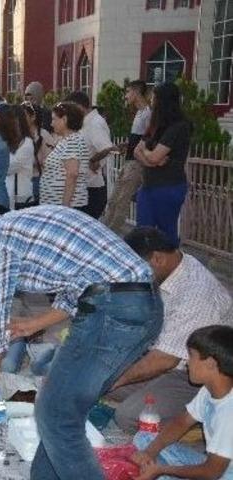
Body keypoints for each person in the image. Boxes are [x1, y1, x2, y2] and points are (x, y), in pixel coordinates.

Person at [0, 200, 161, 479]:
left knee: (56, 415)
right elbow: (77, 285)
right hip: (142, 304)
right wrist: (34, 324)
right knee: (58, 408)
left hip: (115, 309)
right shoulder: (20, 223)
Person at [107, 227, 232, 432]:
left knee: (129, 416)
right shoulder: (175, 267)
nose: (133, 275)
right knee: (93, 381)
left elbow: (165, 360)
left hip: (197, 375)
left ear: (157, 259)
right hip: (169, 359)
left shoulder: (196, 294)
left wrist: (116, 379)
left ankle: (194, 419)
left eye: (137, 268)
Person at [131, 325, 233, 480]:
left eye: (191, 356)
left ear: (211, 363)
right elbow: (182, 421)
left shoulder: (228, 411)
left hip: (221, 473)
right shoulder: (209, 389)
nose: (187, 362)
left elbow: (212, 472)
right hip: (213, 464)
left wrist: (162, 470)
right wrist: (150, 452)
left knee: (158, 475)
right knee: (144, 438)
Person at [134, 82, 191, 246]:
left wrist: (149, 155)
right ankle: (148, 268)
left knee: (166, 235)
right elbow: (138, 151)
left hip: (168, 187)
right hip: (148, 186)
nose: (151, 100)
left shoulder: (179, 127)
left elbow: (152, 156)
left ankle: (171, 269)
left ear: (163, 100)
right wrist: (151, 159)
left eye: (154, 97)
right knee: (143, 234)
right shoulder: (156, 125)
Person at [103, 80, 152, 233]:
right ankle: (105, 230)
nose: (126, 96)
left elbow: (149, 139)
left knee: (121, 201)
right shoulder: (139, 113)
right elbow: (138, 137)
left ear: (137, 92)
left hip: (136, 164)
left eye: (128, 92)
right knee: (113, 200)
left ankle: (112, 234)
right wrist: (128, 143)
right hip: (129, 161)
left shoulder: (147, 114)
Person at [66, 91, 118, 219]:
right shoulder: (85, 123)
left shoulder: (95, 123)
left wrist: (96, 163)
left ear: (79, 106)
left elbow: (107, 148)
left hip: (91, 189)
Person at [39, 102, 91, 209]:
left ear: (65, 120)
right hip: (56, 206)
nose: (51, 124)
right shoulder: (67, 140)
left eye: (54, 119)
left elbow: (72, 174)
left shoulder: (73, 141)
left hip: (66, 208)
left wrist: (65, 207)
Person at [22, 102, 56, 204]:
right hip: (22, 182)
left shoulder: (44, 135)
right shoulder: (19, 134)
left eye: (23, 115)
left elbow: (51, 161)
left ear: (33, 117)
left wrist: (34, 162)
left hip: (37, 180)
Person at [7, 105, 36, 210]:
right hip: (10, 196)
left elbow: (9, 168)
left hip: (21, 197)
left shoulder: (26, 143)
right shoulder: (9, 141)